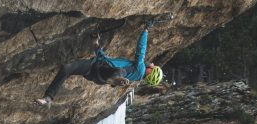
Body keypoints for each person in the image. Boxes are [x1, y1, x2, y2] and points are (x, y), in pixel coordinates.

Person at [35, 23, 163, 107]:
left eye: (153, 66)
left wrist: (146, 30)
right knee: (67, 68)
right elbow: (106, 60)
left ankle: (115, 79)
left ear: (151, 71)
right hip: (95, 71)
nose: (152, 64)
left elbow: (141, 50)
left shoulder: (140, 68)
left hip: (103, 71)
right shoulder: (136, 75)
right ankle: (48, 98)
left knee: (119, 72)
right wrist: (95, 43)